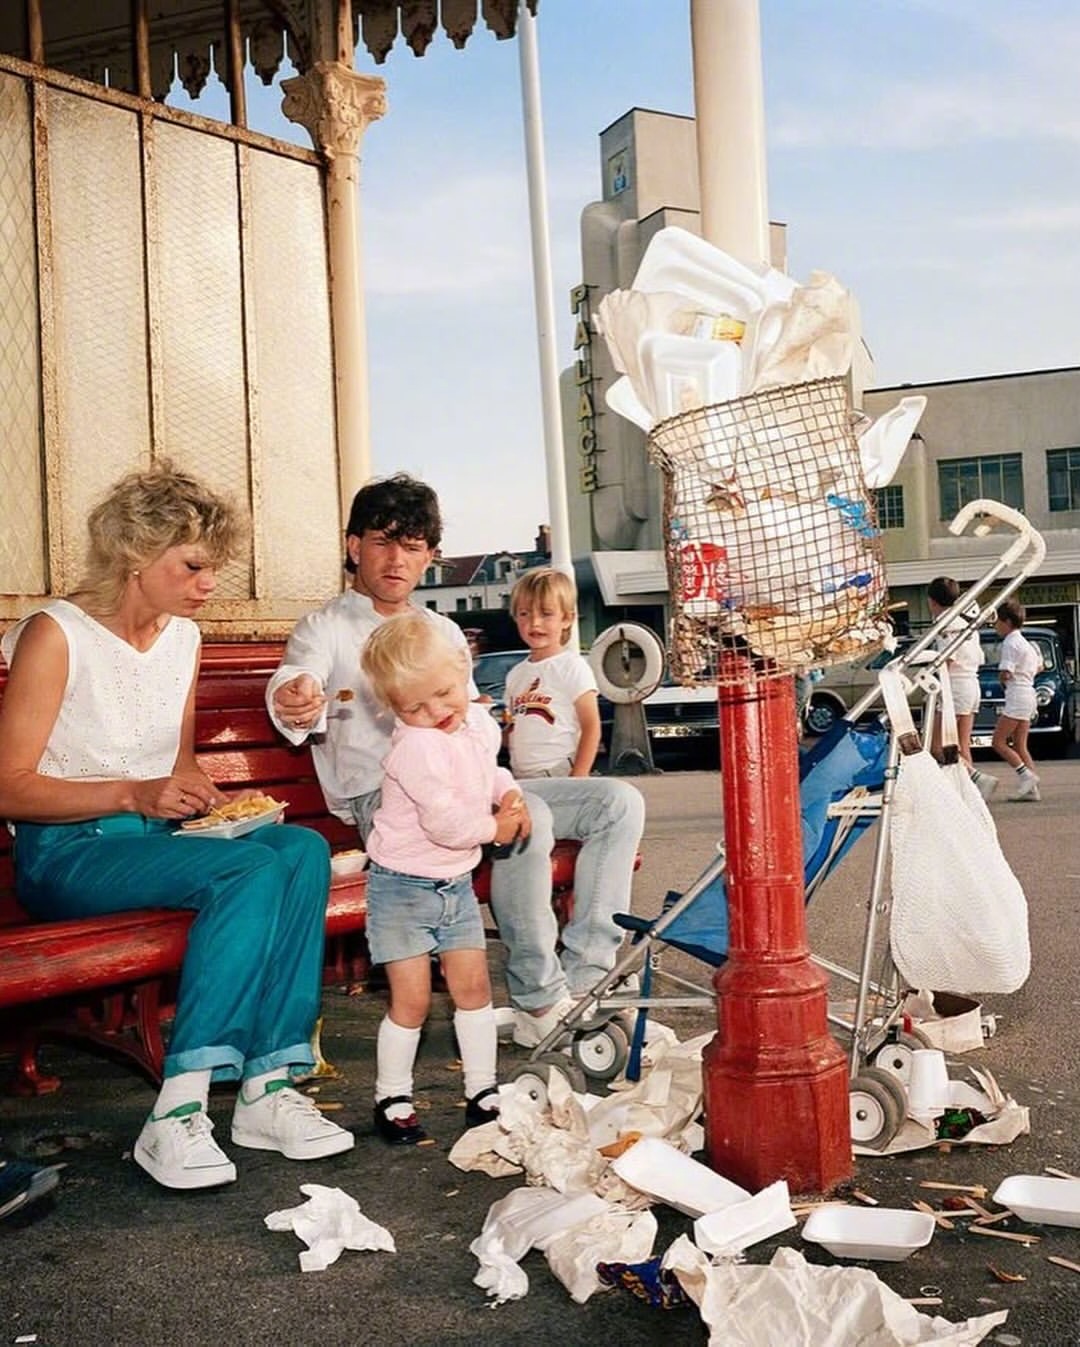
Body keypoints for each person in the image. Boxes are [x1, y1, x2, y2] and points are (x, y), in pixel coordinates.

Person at [0, 463, 353, 1193]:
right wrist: (135, 791)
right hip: (68, 853)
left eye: (213, 567)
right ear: (135, 554)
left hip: (158, 844)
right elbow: (10, 785)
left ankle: (266, 1088)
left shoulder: (183, 639)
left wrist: (205, 798)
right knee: (252, 869)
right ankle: (178, 1109)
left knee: (300, 849)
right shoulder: (55, 634)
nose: (208, 583)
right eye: (193, 566)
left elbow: (177, 765)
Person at [266, 475, 645, 1052]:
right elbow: (298, 677)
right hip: (387, 800)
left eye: (413, 546)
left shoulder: (441, 630)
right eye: (382, 543)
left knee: (617, 803)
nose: (397, 560)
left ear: (430, 557)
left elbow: (471, 726)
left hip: (467, 785)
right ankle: (539, 999)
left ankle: (586, 978)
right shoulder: (326, 627)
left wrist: (494, 771)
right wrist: (294, 695)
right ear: (354, 547)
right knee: (532, 818)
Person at [360, 615, 524, 1144]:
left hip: (453, 884)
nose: (434, 713)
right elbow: (446, 823)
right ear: (393, 709)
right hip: (401, 889)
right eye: (414, 708)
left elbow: (484, 771)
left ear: (462, 670)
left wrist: (508, 792)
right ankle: (392, 1095)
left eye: (443, 694)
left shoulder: (473, 723)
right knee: (411, 1001)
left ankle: (482, 1089)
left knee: (473, 988)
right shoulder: (414, 747)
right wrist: (496, 829)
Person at [504, 568, 602, 780]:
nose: (534, 622)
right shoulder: (515, 675)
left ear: (567, 618)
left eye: (546, 614)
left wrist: (578, 777)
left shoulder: (572, 667)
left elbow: (591, 726)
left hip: (559, 773)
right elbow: (515, 726)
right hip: (521, 776)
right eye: (524, 613)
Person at [926, 576, 997, 801]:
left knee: (937, 746)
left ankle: (976, 778)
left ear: (931, 601)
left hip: (954, 687)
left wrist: (930, 679)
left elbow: (947, 659)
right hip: (971, 684)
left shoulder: (946, 624)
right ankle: (970, 794)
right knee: (962, 745)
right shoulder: (966, 622)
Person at [991, 597, 1042, 802]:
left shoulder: (1010, 643)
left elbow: (1006, 672)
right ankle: (1032, 789)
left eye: (998, 621)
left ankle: (1026, 776)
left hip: (1017, 695)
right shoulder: (1027, 644)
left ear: (1008, 622)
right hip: (1029, 693)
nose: (996, 625)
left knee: (998, 742)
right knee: (1020, 745)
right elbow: (1039, 667)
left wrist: (1001, 679)